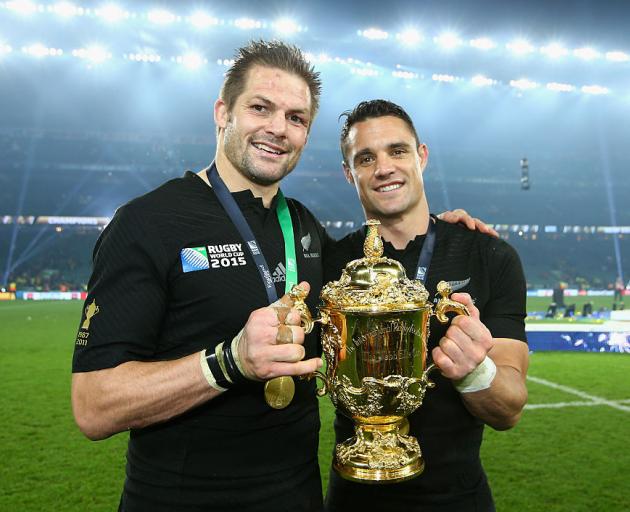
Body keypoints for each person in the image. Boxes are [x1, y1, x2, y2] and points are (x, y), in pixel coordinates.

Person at [71, 41, 494, 511]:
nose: (278, 128)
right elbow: (94, 405)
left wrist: (447, 226)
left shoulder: (305, 228)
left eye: (296, 118)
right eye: (260, 108)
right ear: (222, 112)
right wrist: (228, 361)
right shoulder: (148, 222)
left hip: (299, 497)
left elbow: (381, 267)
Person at [324, 100, 529, 512]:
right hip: (354, 494)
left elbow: (508, 408)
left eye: (397, 151)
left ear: (421, 156)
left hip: (456, 498)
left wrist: (475, 371)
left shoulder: (488, 256)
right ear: (350, 174)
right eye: (366, 158)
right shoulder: (331, 265)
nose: (384, 167)